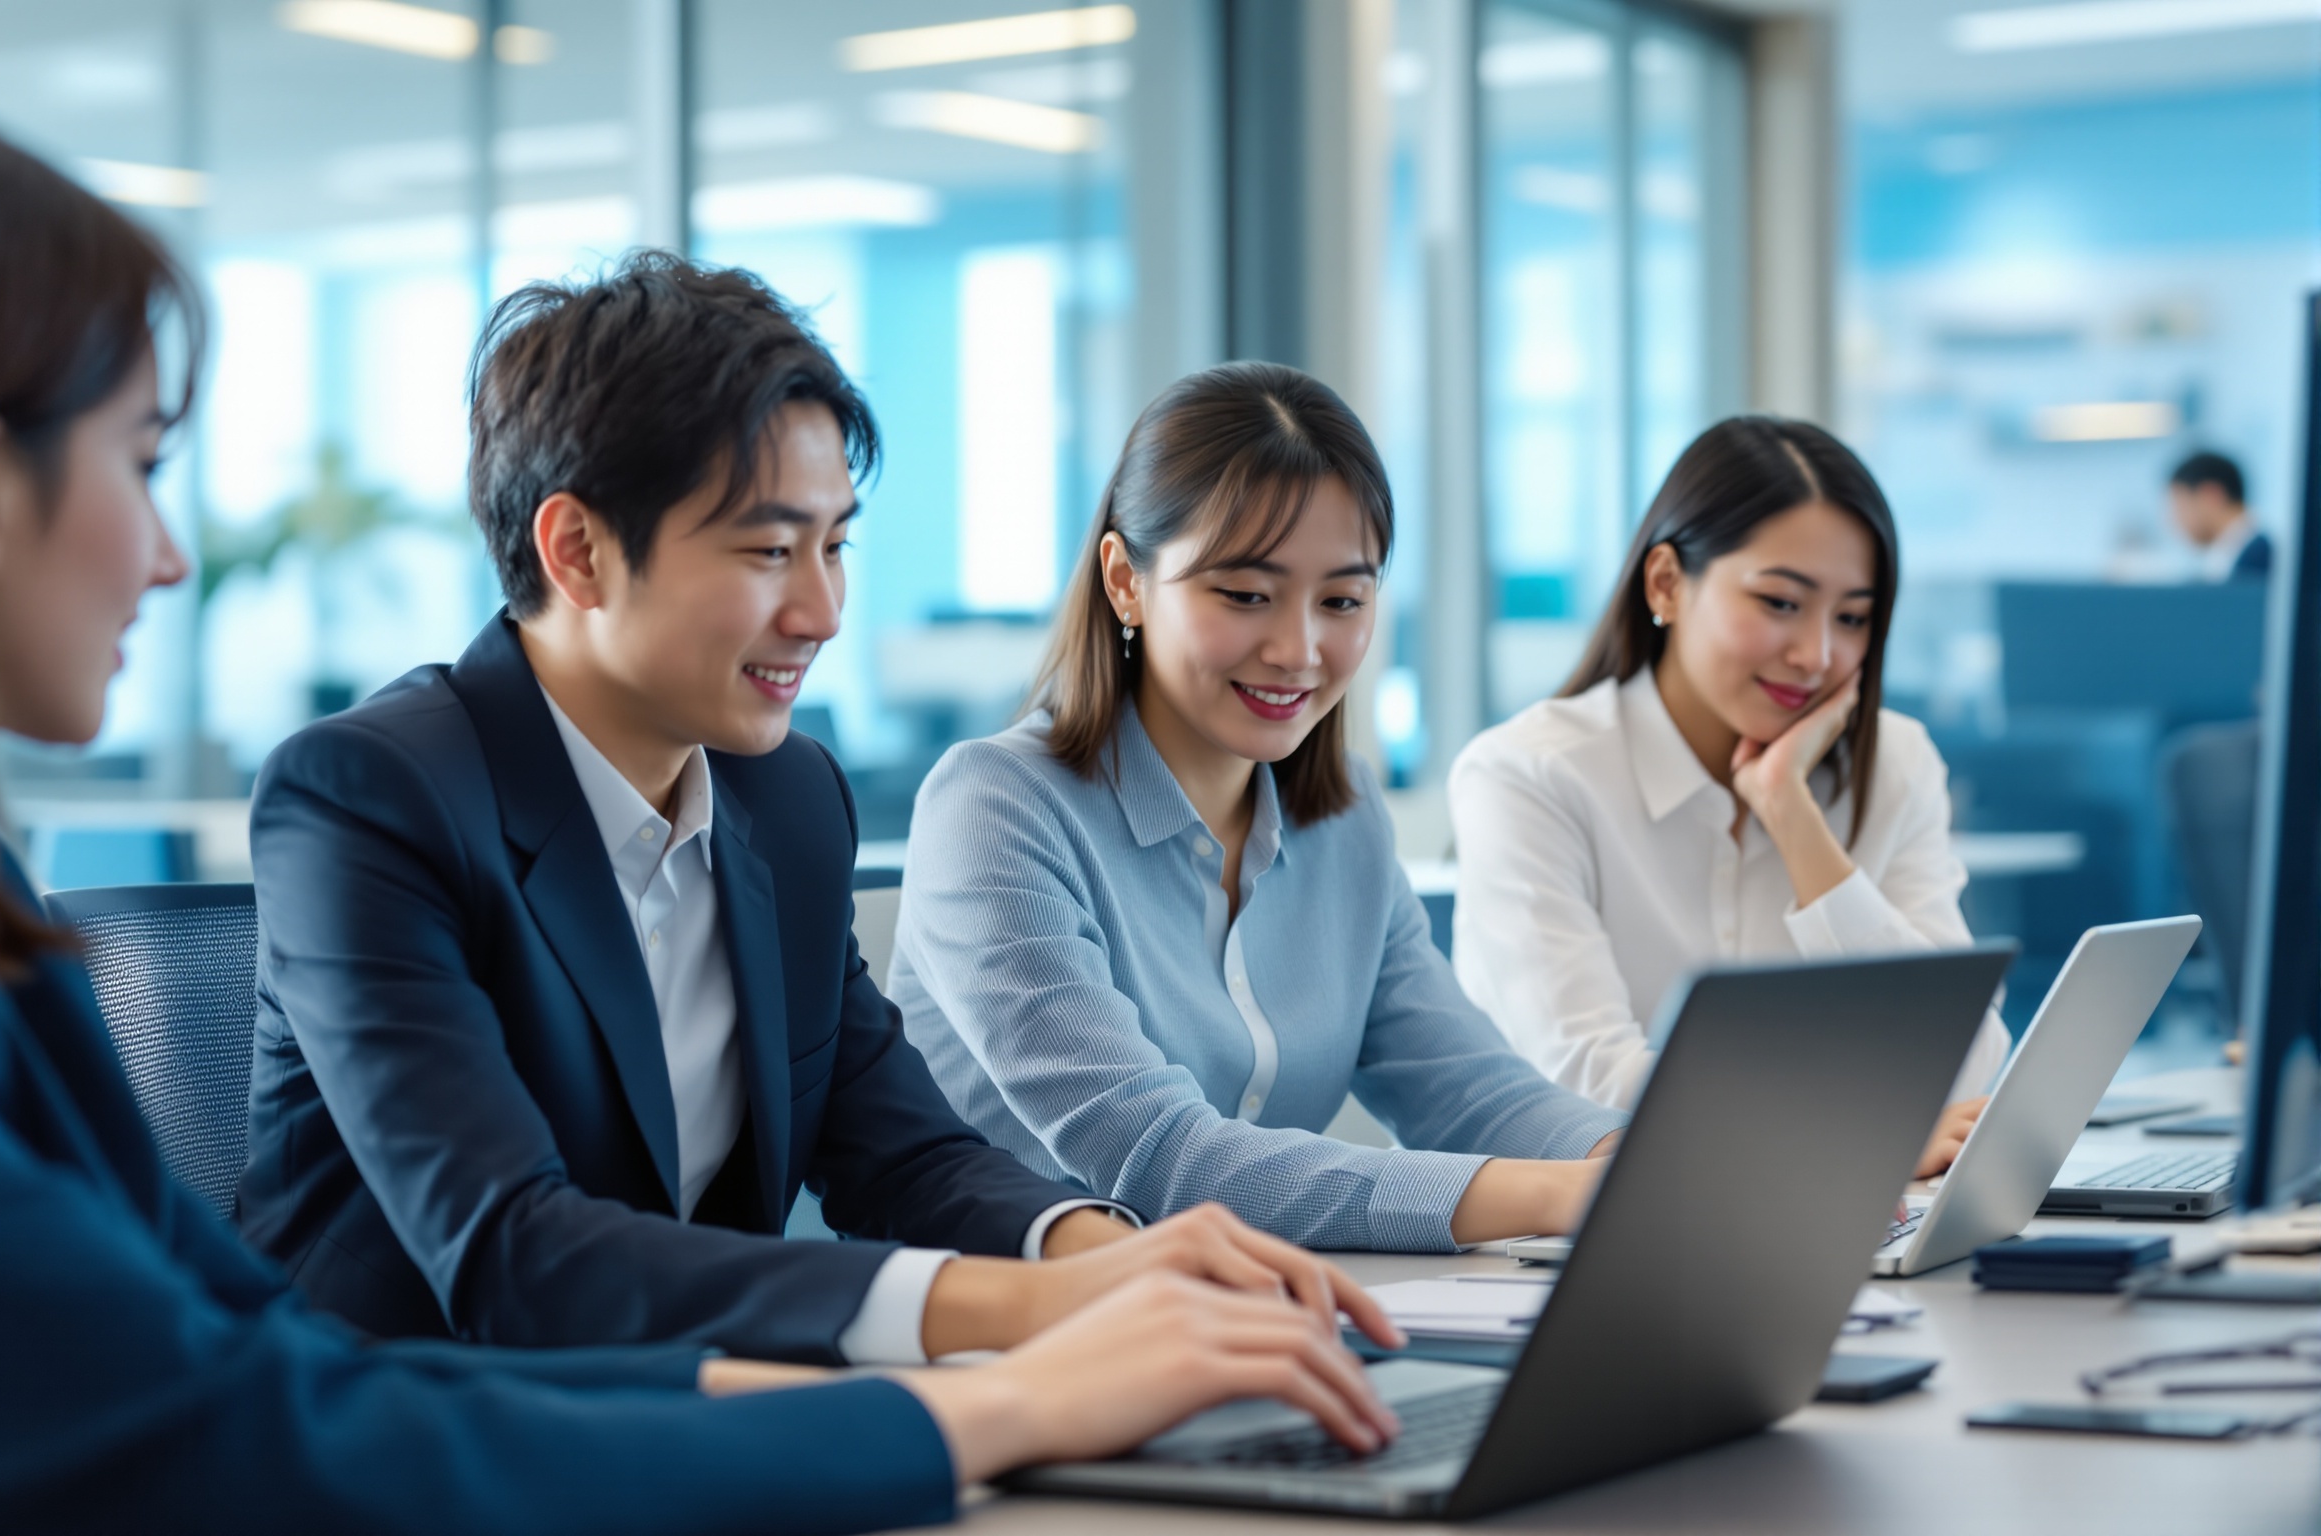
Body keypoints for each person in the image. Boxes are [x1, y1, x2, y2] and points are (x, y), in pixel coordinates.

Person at [0, 101, 1407, 1531]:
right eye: (135, 461)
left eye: (834, 547)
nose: (166, 547)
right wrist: (990, 1392)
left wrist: (1063, 1309)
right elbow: (256, 1423)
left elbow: (251, 1359)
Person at [236, 255, 1396, 1366]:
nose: (821, 611)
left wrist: (1111, 1256)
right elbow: (510, 1254)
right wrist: (1028, 1302)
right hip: (412, 1450)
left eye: (835, 547)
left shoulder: (781, 796)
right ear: (578, 550)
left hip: (707, 1425)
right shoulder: (371, 798)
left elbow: (900, 1150)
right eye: (769, 551)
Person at [887, 363, 1626, 1254]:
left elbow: (1469, 1088)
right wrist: (1563, 1198)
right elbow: (1165, 1159)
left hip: (1255, 1323)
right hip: (1013, 1340)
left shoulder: (1344, 824)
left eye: (1343, 600)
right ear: (1125, 580)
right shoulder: (996, 809)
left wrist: (1637, 1164)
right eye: (1244, 595)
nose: (1299, 649)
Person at [1449, 416, 2007, 1170]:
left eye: (1852, 618)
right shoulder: (1530, 774)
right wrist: (1854, 1129)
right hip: (1548, 1240)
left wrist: (1794, 818)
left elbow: (1964, 1069)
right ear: (1667, 584)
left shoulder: (1896, 761)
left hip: (1821, 1223)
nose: (1816, 655)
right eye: (1781, 602)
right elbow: (1578, 1077)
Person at [2166, 450, 2270, 582]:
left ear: (2212, 495)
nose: (2175, 519)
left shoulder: (2259, 560)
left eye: (2180, 506)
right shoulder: (2227, 558)